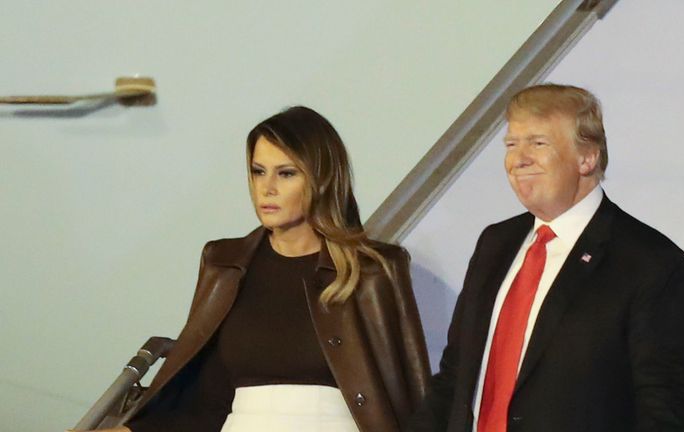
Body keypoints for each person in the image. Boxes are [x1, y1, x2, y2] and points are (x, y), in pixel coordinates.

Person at [90, 106, 430, 432]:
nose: (266, 188)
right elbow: (207, 404)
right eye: (258, 171)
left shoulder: (372, 271)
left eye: (286, 173)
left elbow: (410, 397)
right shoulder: (225, 263)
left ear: (321, 180)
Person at [408, 84, 684, 431]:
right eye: (511, 144)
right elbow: (455, 376)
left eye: (538, 143)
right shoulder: (495, 243)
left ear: (587, 157)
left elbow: (668, 407)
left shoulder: (650, 262)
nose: (518, 159)